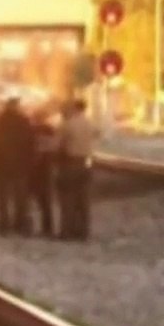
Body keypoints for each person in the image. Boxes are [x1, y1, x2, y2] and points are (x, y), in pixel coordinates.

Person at [0, 96, 35, 236]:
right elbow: (31, 144)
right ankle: (20, 223)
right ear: (15, 107)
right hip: (20, 166)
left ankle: (4, 225)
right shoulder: (24, 122)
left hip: (2, 166)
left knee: (3, 197)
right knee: (21, 196)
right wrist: (29, 163)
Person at [55, 98, 99, 240]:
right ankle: (83, 231)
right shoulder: (90, 123)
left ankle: (67, 231)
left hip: (70, 163)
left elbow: (58, 145)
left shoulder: (67, 125)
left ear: (74, 108)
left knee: (68, 198)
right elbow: (97, 134)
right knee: (83, 199)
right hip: (86, 163)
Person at [28, 105, 59, 238]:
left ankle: (28, 225)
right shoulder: (50, 129)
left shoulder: (30, 130)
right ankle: (48, 227)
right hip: (46, 168)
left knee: (30, 198)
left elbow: (29, 149)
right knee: (46, 200)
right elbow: (53, 148)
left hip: (33, 168)